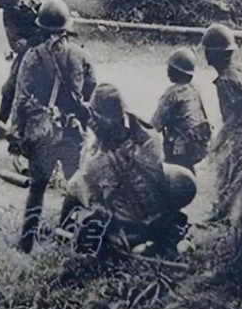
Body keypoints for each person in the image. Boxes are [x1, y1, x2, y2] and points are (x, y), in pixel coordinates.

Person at [63, 83, 197, 259]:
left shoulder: (102, 160)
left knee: (77, 192)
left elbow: (91, 186)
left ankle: (69, 230)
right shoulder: (146, 135)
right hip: (155, 212)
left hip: (130, 219)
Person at [8, 0, 96, 254]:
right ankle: (65, 236)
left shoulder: (32, 57)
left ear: (42, 28)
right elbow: (91, 90)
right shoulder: (81, 55)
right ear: (67, 28)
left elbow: (20, 100)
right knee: (74, 187)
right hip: (71, 131)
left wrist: (15, 138)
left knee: (36, 190)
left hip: (42, 134)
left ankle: (26, 242)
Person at [151, 48, 211, 173]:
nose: (167, 71)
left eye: (170, 68)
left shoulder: (172, 94)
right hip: (200, 145)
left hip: (181, 149)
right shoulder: (195, 90)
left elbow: (155, 125)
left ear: (177, 72)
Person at [0, 0, 42, 130]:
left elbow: (46, 32)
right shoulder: (8, 14)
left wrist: (29, 41)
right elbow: (14, 38)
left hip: (41, 53)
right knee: (9, 90)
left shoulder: (32, 9)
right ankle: (0, 126)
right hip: (26, 54)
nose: (10, 9)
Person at [202, 23, 242, 124]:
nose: (205, 53)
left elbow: (232, 122)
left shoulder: (225, 81)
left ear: (215, 53)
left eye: (207, 49)